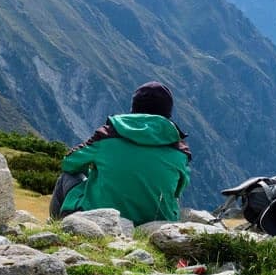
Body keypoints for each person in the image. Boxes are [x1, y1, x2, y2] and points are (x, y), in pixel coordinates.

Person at [50, 81, 191, 225]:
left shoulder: (108, 135)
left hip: (101, 219)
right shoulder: (179, 150)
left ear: (134, 107)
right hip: (156, 223)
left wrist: (95, 171)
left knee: (67, 176)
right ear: (168, 112)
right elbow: (179, 188)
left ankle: (56, 227)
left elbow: (69, 163)